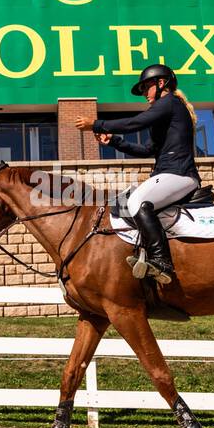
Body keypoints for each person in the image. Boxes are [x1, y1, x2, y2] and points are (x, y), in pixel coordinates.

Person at [73, 63, 200, 285]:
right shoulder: (166, 112)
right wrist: (114, 141)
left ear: (161, 84)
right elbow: (148, 150)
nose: (144, 94)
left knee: (138, 201)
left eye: (146, 88)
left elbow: (135, 123)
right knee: (126, 201)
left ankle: (162, 262)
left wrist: (97, 124)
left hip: (180, 174)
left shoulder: (169, 102)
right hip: (167, 174)